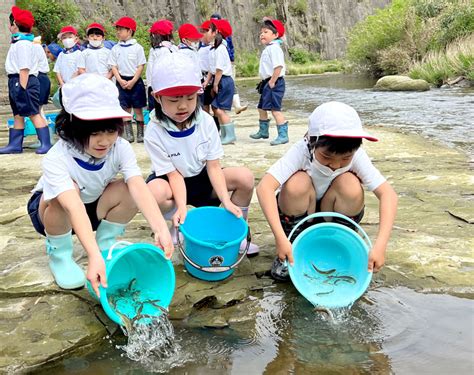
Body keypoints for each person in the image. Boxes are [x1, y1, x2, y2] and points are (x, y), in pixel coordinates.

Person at [27, 73, 173, 295]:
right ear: (73, 125)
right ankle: (60, 255)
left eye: (111, 131)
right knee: (64, 195)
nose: (104, 141)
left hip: (93, 203)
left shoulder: (120, 148)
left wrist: (160, 228)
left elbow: (138, 187)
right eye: (94, 133)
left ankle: (107, 243)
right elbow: (73, 206)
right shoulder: (57, 157)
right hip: (52, 211)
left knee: (128, 189)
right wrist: (92, 256)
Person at [257, 101, 398, 280]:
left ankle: (338, 242)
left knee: (350, 183)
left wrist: (380, 246)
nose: (335, 165)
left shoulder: (357, 156)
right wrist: (280, 238)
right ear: (311, 140)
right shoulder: (301, 151)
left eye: (346, 158)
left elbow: (389, 195)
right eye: (326, 157)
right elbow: (264, 187)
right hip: (301, 213)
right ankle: (294, 246)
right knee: (296, 183)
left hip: (331, 214)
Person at [144, 53, 259, 255]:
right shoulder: (154, 129)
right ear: (157, 97)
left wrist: (226, 200)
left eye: (190, 98)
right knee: (153, 191)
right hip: (171, 181)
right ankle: (175, 226)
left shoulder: (205, 121)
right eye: (173, 100)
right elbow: (174, 175)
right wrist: (182, 207)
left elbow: (214, 166)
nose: (183, 106)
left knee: (245, 177)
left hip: (203, 177)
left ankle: (235, 230)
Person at [0, 6, 52, 155]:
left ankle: (46, 143)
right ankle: (15, 144)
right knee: (17, 113)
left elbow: (24, 68)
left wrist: (22, 89)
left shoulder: (22, 44)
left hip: (24, 81)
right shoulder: (19, 42)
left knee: (33, 112)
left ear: (14, 24)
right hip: (15, 80)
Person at [250, 18, 289, 146]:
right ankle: (263, 131)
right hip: (268, 82)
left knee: (275, 109)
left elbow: (278, 67)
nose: (262, 34)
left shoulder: (275, 48)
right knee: (261, 107)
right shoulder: (269, 48)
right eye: (261, 32)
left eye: (266, 32)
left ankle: (283, 135)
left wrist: (272, 81)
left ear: (275, 35)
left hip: (274, 82)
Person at [108, 16, 147, 143]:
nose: (118, 32)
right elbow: (113, 66)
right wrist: (119, 80)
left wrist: (133, 81)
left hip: (135, 81)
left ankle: (141, 134)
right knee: (125, 109)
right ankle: (129, 133)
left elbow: (140, 66)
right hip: (121, 80)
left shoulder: (138, 48)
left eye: (120, 29)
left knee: (138, 109)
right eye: (117, 29)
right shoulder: (115, 48)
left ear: (129, 31)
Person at [203, 19, 235, 144]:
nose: (206, 33)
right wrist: (207, 82)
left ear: (216, 32)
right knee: (216, 108)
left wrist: (215, 84)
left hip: (224, 81)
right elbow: (212, 69)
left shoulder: (221, 48)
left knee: (219, 109)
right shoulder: (214, 49)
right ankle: (225, 134)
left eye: (208, 30)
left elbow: (219, 69)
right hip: (219, 80)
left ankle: (230, 135)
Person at [210, 12, 247, 115]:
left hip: (225, 67)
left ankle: (237, 105)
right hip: (219, 69)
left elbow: (231, 48)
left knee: (220, 106)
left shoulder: (222, 43)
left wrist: (231, 59)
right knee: (218, 106)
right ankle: (236, 106)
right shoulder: (215, 43)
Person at [146, 19, 177, 112]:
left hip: (157, 87)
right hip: (170, 86)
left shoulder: (158, 50)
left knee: (156, 113)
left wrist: (150, 86)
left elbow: (152, 70)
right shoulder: (174, 49)